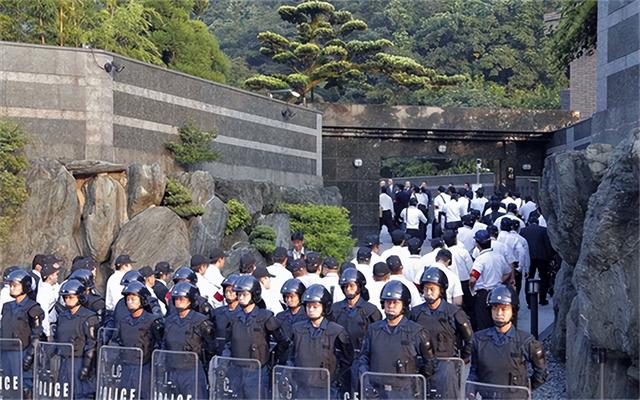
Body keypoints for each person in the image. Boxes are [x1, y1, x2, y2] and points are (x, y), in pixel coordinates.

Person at [357, 280, 436, 398]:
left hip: (404, 392)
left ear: (403, 305)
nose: (391, 306)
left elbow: (429, 363)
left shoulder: (417, 331)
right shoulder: (373, 330)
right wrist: (367, 381)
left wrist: (416, 384)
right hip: (377, 391)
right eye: (388, 302)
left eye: (395, 302)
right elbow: (364, 358)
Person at [469, 285, 547, 396]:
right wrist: (470, 390)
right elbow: (474, 370)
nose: (499, 313)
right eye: (495, 308)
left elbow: (541, 373)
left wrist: (524, 389)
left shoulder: (527, 342)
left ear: (513, 311)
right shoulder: (479, 339)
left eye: (504, 308)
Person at [411, 267, 473, 399]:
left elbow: (469, 339)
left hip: (447, 364)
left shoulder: (454, 312)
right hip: (422, 365)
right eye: (426, 289)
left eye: (432, 289)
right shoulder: (415, 313)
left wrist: (462, 358)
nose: (428, 292)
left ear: (441, 290)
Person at [223, 275, 289, 399]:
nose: (241, 298)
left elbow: (282, 341)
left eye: (245, 294)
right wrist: (225, 360)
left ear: (254, 295)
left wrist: (270, 356)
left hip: (258, 370)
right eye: (239, 294)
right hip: (237, 369)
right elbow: (228, 343)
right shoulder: (233, 318)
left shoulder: (265, 317)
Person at [288, 284, 354, 398]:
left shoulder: (336, 331)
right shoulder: (297, 329)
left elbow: (347, 359)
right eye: (308, 306)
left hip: (327, 388)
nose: (311, 309)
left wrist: (335, 377)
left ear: (324, 307)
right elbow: (291, 356)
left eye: (315, 306)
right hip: (302, 387)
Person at [331, 268, 382, 394]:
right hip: (339, 360)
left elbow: (377, 339)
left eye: (352, 286)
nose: (348, 289)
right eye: (345, 286)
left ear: (359, 286)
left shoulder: (370, 310)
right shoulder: (335, 309)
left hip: (361, 360)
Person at [112, 281, 164, 400]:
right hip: (126, 366)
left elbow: (160, 344)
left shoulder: (153, 321)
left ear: (143, 299)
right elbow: (117, 341)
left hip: (145, 368)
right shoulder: (123, 321)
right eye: (128, 298)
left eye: (133, 298)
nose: (130, 301)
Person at [162, 282, 214, 399]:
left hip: (192, 370)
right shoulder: (169, 321)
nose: (179, 301)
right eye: (176, 298)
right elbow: (164, 344)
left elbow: (211, 346)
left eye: (182, 298)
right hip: (173, 370)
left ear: (190, 300)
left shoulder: (201, 321)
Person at [1, 269, 45, 399]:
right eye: (10, 285)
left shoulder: (33, 308)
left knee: (24, 389)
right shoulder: (7, 306)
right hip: (6, 353)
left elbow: (37, 334)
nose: (12, 288)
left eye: (15, 285)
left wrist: (30, 356)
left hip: (22, 353)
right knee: (8, 388)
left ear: (25, 286)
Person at [56, 279, 100, 399]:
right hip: (65, 362)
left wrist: (86, 366)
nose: (67, 300)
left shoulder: (89, 317)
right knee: (64, 394)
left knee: (82, 394)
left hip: (80, 361)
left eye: (71, 297)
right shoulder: (62, 316)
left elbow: (92, 344)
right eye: (65, 297)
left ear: (79, 297)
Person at [469, 230, 512, 330]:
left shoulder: (480, 260)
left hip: (483, 294)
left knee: (483, 322)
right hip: (497, 291)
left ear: (478, 244)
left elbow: (473, 279)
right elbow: (508, 272)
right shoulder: (499, 256)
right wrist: (500, 280)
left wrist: (471, 289)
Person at [520, 216, 555, 306]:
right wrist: (550, 257)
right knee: (544, 277)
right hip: (542, 256)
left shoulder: (523, 231)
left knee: (529, 277)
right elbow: (548, 245)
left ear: (529, 223)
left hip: (529, 256)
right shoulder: (543, 230)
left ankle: (529, 301)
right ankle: (542, 298)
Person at [212, 274, 241, 354]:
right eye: (226, 291)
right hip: (220, 355)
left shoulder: (245, 313)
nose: (228, 294)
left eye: (232, 291)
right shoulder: (217, 313)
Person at [276, 278, 308, 344]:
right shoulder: (280, 316)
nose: (289, 300)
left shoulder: (308, 316)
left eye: (292, 296)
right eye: (287, 297)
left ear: (300, 296)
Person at [36, 262, 60, 339]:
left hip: (53, 326)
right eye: (56, 274)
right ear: (50, 276)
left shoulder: (52, 288)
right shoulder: (44, 292)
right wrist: (47, 334)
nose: (57, 277)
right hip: (48, 329)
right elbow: (43, 313)